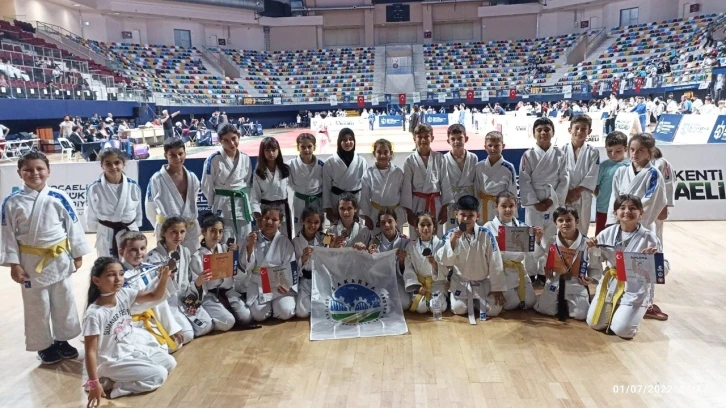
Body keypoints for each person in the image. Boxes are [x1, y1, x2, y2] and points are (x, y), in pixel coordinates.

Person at [0, 151, 92, 364]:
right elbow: (7, 235)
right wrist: (14, 264)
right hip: (30, 263)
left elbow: (73, 225)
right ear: (19, 173)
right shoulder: (11, 202)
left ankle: (62, 340)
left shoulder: (59, 197)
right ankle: (43, 345)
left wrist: (77, 252)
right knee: (37, 305)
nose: (34, 173)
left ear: (48, 171)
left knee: (64, 300)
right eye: (28, 170)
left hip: (59, 259)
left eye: (39, 168)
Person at [83, 257, 176, 403]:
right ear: (96, 280)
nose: (118, 279)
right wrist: (93, 383)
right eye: (111, 275)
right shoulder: (94, 314)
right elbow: (90, 352)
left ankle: (114, 379)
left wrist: (164, 277)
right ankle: (116, 386)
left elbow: (155, 296)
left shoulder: (124, 294)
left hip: (130, 351)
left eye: (121, 274)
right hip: (111, 362)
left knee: (170, 362)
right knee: (159, 375)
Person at [586, 194, 667, 338]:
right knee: (594, 323)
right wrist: (592, 248)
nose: (627, 211)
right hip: (612, 283)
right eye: (622, 208)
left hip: (635, 287)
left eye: (632, 208)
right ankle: (619, 311)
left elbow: (664, 268)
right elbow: (595, 261)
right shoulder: (607, 233)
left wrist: (652, 260)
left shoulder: (649, 238)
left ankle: (632, 314)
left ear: (641, 212)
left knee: (622, 330)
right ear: (615, 213)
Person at [437, 195, 505, 321]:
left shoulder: (486, 234)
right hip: (461, 282)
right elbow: (445, 262)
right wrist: (452, 242)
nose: (466, 219)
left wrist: (497, 288)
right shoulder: (450, 235)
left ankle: (476, 302)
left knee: (495, 310)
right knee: (459, 309)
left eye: (470, 216)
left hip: (482, 283)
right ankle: (467, 301)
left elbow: (495, 261)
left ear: (477, 216)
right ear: (456, 214)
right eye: (462, 215)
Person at [147, 217, 213, 342]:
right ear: (164, 232)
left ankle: (185, 324)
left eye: (182, 232)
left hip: (184, 299)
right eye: (174, 232)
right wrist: (166, 279)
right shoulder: (153, 257)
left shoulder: (185, 252)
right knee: (187, 335)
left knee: (207, 325)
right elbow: (151, 288)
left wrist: (192, 296)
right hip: (167, 304)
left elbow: (188, 279)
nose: (178, 236)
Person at [117, 232, 186, 351]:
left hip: (148, 316)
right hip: (130, 323)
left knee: (176, 343)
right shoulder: (120, 277)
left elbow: (158, 302)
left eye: (142, 248)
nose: (139, 253)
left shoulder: (145, 269)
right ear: (121, 252)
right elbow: (140, 302)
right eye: (133, 249)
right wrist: (161, 280)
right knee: (161, 349)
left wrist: (172, 328)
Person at [519, 117, 569, 280]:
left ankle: (544, 271)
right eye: (539, 130)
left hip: (552, 200)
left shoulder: (560, 154)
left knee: (550, 237)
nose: (543, 133)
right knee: (531, 235)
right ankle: (530, 271)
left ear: (553, 132)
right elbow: (524, 180)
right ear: (534, 133)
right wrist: (534, 201)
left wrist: (553, 200)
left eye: (547, 129)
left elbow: (564, 179)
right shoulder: (528, 155)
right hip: (534, 203)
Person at [190, 213, 254, 330]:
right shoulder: (197, 257)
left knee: (246, 317)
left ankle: (225, 313)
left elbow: (239, 277)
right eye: (213, 231)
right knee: (228, 321)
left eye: (220, 231)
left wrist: (234, 256)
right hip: (209, 295)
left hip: (227, 292)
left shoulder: (226, 249)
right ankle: (209, 315)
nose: (217, 235)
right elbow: (196, 284)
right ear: (203, 232)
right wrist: (199, 282)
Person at [533, 206, 597, 321]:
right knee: (545, 309)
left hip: (576, 282)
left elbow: (594, 264)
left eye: (568, 220)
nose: (565, 223)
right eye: (560, 220)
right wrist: (538, 241)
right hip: (556, 280)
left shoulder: (586, 242)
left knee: (581, 315)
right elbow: (542, 257)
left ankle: (570, 303)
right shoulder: (552, 240)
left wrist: (591, 278)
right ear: (555, 223)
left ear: (576, 221)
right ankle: (560, 302)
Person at [484, 191, 543, 310]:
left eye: (511, 206)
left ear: (516, 207)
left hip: (518, 270)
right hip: (500, 271)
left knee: (530, 302)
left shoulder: (523, 228)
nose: (508, 209)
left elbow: (533, 256)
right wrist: (494, 246)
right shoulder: (488, 227)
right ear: (496, 207)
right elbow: (483, 254)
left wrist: (537, 240)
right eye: (503, 206)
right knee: (511, 304)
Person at [240, 205, 297, 322]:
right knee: (259, 315)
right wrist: (250, 246)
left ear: (280, 223)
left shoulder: (284, 241)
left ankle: (276, 307)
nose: (269, 222)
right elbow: (245, 266)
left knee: (286, 311)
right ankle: (270, 309)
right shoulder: (251, 238)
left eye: (274, 219)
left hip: (279, 283)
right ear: (261, 219)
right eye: (266, 218)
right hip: (258, 283)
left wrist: (287, 285)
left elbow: (291, 266)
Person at [201, 124, 254, 246]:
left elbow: (247, 184)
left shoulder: (245, 158)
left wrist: (249, 203)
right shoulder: (213, 159)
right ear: (220, 141)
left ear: (239, 136)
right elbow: (206, 185)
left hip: (242, 206)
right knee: (225, 243)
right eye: (226, 140)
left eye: (234, 138)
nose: (232, 143)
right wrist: (213, 203)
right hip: (223, 207)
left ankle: (244, 259)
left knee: (245, 241)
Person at [85, 148, 143, 258]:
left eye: (117, 163)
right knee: (108, 264)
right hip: (106, 232)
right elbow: (91, 213)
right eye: (108, 164)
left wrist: (138, 227)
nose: (113, 167)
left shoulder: (133, 186)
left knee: (131, 263)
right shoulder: (94, 188)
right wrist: (94, 228)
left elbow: (138, 210)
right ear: (102, 166)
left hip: (129, 231)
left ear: (123, 164)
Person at [146, 138, 201, 252]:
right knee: (169, 260)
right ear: (166, 155)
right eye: (173, 155)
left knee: (193, 259)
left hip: (189, 228)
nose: (178, 158)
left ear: (185, 154)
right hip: (168, 230)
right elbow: (149, 207)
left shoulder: (192, 177)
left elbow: (193, 201)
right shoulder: (157, 179)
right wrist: (163, 226)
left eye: (180, 154)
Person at [402, 123, 454, 239]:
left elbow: (445, 183)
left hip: (435, 203)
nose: (423, 140)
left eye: (426, 136)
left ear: (432, 138)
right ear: (414, 139)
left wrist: (444, 209)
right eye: (420, 137)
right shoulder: (409, 161)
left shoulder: (439, 158)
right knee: (417, 236)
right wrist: (409, 212)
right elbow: (406, 188)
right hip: (417, 204)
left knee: (436, 236)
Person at [608, 133, 667, 233]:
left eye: (640, 150)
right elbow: (614, 197)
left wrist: (631, 214)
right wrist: (614, 219)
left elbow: (650, 200)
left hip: (641, 223)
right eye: (632, 149)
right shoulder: (621, 171)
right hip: (620, 221)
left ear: (649, 152)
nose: (635, 153)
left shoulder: (653, 174)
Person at [403, 212, 448, 314]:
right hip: (420, 283)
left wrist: (435, 264)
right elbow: (408, 268)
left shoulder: (441, 244)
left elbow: (446, 268)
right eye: (422, 225)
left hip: (436, 283)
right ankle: (423, 298)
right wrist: (417, 286)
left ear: (434, 227)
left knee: (437, 308)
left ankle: (440, 299)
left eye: (429, 225)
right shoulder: (410, 246)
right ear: (416, 228)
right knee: (421, 308)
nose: (426, 228)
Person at [562, 115, 600, 235]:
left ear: (589, 131)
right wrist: (566, 193)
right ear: (570, 130)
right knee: (564, 228)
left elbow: (592, 174)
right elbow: (558, 175)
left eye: (584, 129)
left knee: (582, 228)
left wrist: (577, 190)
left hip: (583, 196)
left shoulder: (593, 152)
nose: (579, 131)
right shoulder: (561, 151)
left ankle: (581, 247)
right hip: (565, 196)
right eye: (576, 128)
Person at [322, 128, 368, 224]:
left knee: (356, 229)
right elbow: (326, 187)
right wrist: (328, 208)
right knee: (337, 229)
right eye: (344, 139)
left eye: (351, 139)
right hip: (336, 201)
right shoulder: (330, 162)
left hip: (355, 201)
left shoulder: (361, 161)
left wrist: (363, 208)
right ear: (339, 142)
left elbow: (365, 187)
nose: (348, 142)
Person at [368, 209, 410, 310]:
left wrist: (402, 261)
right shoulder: (375, 241)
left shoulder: (405, 241)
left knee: (405, 303)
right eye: (383, 222)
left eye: (390, 221)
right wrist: (371, 256)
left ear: (396, 222)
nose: (387, 225)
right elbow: (371, 267)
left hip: (398, 279)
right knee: (376, 303)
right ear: (379, 224)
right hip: (380, 279)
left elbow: (409, 267)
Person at [360, 139, 405, 232]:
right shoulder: (369, 173)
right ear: (374, 153)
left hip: (395, 213)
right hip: (375, 213)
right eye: (379, 152)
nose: (382, 155)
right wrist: (367, 216)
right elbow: (364, 197)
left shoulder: (398, 172)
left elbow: (404, 195)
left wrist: (403, 213)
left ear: (391, 153)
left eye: (385, 152)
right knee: (376, 238)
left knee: (395, 237)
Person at [251, 137, 292, 238]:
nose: (271, 153)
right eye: (267, 150)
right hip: (266, 210)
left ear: (278, 150)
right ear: (262, 152)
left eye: (274, 150)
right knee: (266, 239)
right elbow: (255, 197)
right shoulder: (258, 172)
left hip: (282, 208)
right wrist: (259, 218)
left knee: (284, 238)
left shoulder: (285, 169)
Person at [474, 131, 517, 224]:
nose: (493, 149)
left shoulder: (508, 168)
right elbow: (475, 189)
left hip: (501, 207)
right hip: (483, 206)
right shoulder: (479, 166)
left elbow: (512, 192)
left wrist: (511, 212)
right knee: (483, 230)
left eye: (497, 146)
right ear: (485, 147)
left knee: (500, 229)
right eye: (490, 145)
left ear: (503, 146)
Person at [292, 208, 326, 318]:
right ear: (303, 221)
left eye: (316, 222)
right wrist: (302, 258)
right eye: (309, 221)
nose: (312, 225)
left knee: (326, 309)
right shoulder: (295, 241)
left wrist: (333, 245)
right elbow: (292, 266)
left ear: (320, 224)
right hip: (305, 279)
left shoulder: (324, 239)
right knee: (301, 312)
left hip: (320, 279)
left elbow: (329, 258)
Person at [443, 124, 477, 233]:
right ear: (448, 141)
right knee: (452, 231)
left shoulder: (473, 158)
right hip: (452, 200)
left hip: (469, 199)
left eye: (459, 138)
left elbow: (476, 182)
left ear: (466, 139)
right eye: (453, 139)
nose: (456, 141)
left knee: (469, 229)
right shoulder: (444, 159)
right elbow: (442, 185)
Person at [593, 131, 629, 235]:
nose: (613, 154)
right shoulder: (603, 166)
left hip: (624, 209)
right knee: (601, 235)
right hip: (604, 208)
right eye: (609, 151)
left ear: (625, 148)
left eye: (618, 151)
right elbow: (595, 186)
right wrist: (602, 197)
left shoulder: (631, 166)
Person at [287, 133, 324, 235]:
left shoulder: (321, 165)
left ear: (314, 147)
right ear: (298, 147)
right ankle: (299, 245)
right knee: (299, 227)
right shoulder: (290, 165)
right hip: (300, 201)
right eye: (303, 147)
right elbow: (288, 184)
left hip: (316, 201)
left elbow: (325, 186)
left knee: (317, 227)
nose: (306, 150)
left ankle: (319, 245)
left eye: (309, 146)